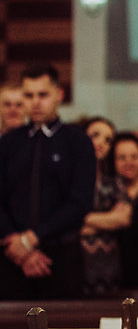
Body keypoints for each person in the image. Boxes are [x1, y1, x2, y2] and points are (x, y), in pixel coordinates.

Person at [0, 63, 95, 299]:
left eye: (42, 95)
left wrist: (31, 238)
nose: (35, 102)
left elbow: (79, 202)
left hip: (60, 257)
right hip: (12, 258)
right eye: (28, 95)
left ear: (59, 95)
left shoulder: (77, 141)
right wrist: (19, 247)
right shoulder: (9, 142)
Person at [79, 116, 127, 295]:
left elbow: (123, 218)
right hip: (76, 260)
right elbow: (60, 219)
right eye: (95, 135)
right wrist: (106, 221)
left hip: (108, 263)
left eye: (108, 140)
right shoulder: (68, 176)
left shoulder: (112, 180)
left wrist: (82, 221)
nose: (101, 143)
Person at [111, 132, 138, 290]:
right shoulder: (108, 193)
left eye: (134, 157)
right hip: (112, 275)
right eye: (122, 158)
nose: (128, 162)